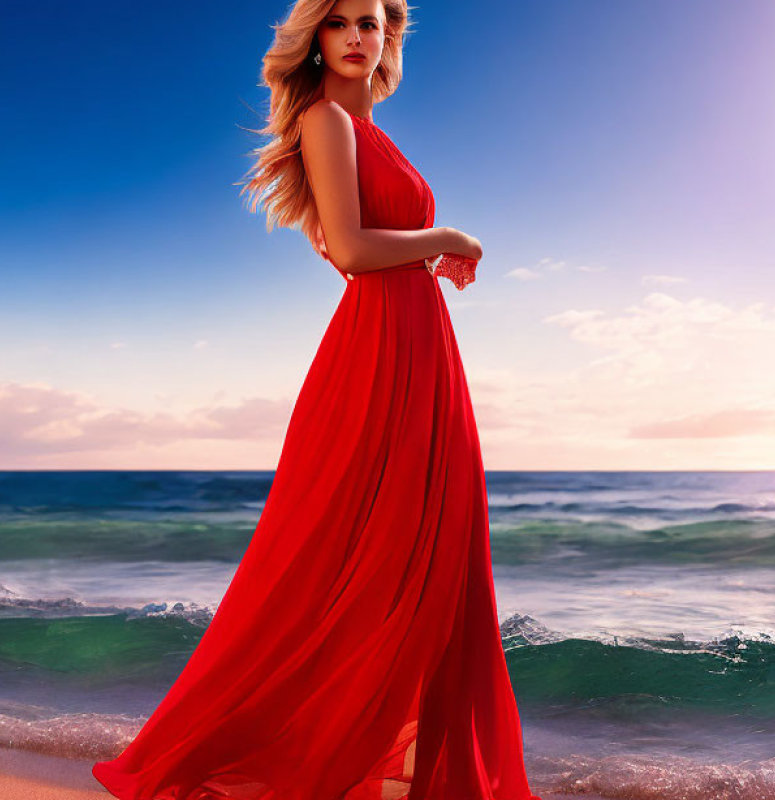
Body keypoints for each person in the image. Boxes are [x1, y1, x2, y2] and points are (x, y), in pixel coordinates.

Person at [92, 1, 543, 798]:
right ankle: (305, 758)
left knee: (434, 557)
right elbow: (353, 248)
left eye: (372, 23)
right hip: (380, 351)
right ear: (316, 40)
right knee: (345, 558)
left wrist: (429, 255)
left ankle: (408, 770)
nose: (358, 37)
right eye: (340, 23)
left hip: (421, 346)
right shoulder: (325, 120)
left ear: (388, 39)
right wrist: (450, 238)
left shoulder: (371, 132)